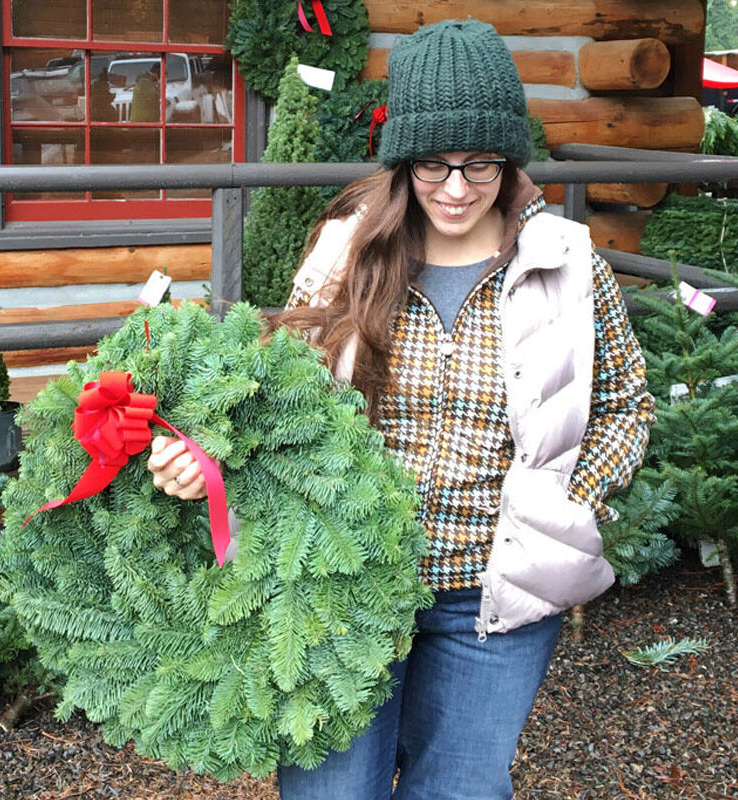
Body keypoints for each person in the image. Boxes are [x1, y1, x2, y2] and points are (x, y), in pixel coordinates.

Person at [147, 18, 654, 800]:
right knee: (330, 791)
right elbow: (278, 392)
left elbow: (626, 406)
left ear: (507, 156)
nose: (456, 188)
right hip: (343, 585)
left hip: (494, 596)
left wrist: (571, 501)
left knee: (460, 789)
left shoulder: (567, 262)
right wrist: (202, 451)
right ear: (403, 160)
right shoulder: (347, 251)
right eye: (433, 165)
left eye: (478, 164)